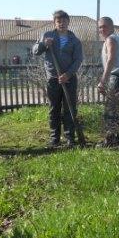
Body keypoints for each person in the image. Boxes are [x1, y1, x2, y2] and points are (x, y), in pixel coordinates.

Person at [33, 10, 83, 148]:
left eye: (64, 21)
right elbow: (35, 51)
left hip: (69, 79)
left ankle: (70, 138)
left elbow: (78, 59)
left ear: (68, 22)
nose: (61, 24)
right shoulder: (47, 35)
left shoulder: (75, 40)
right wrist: (43, 44)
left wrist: (68, 74)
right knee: (54, 108)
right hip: (53, 79)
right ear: (55, 23)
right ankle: (54, 138)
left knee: (70, 109)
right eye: (58, 21)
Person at [97, 17, 119, 147]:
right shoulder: (113, 39)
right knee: (117, 110)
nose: (102, 29)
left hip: (116, 77)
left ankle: (110, 141)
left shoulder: (111, 39)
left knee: (111, 110)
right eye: (100, 27)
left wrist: (103, 80)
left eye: (104, 26)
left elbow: (111, 60)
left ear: (112, 27)